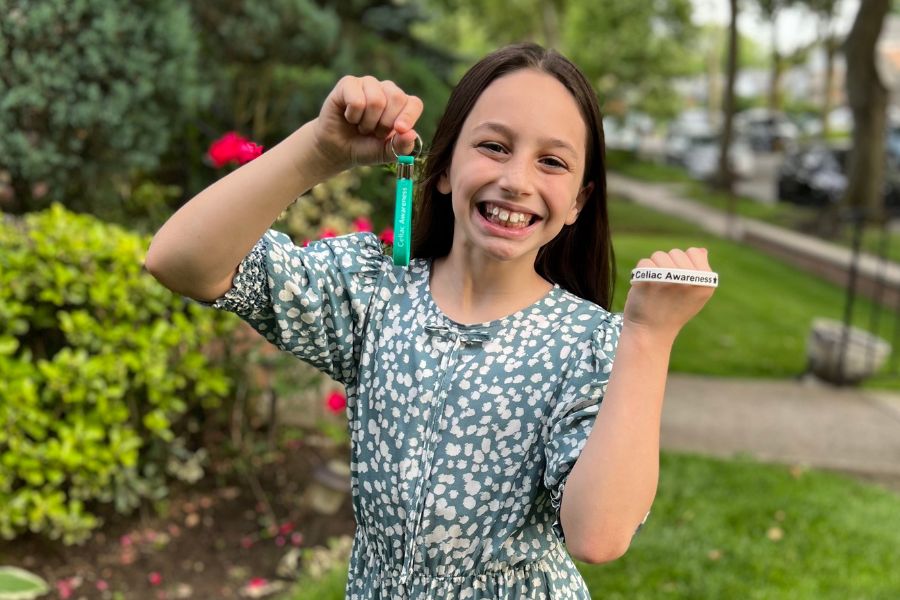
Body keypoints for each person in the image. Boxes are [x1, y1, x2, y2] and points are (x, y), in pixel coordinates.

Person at [145, 43, 715, 599]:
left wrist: (647, 337)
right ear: (440, 168)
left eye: (552, 161)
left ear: (577, 203)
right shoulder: (372, 293)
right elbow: (180, 262)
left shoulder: (587, 344)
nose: (517, 179)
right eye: (493, 146)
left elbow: (599, 535)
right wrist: (320, 151)